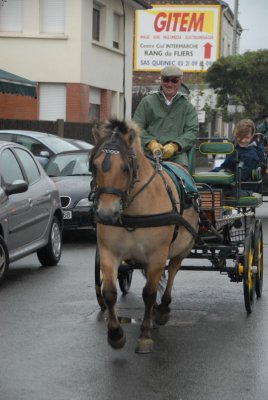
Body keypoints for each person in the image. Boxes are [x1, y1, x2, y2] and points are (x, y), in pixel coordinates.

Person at [133, 65, 199, 168]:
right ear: (161, 80)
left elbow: (192, 132)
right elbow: (136, 126)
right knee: (133, 175)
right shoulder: (147, 102)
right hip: (148, 153)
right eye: (166, 80)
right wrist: (151, 143)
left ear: (180, 82)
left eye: (174, 81)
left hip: (177, 156)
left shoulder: (188, 107)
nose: (169, 84)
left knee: (183, 179)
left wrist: (175, 146)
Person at [211, 119, 264, 186]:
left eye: (247, 137)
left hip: (243, 187)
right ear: (236, 134)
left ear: (252, 136)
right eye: (240, 137)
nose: (243, 140)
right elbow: (225, 166)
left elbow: (242, 177)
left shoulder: (253, 156)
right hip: (233, 182)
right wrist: (211, 174)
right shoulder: (234, 149)